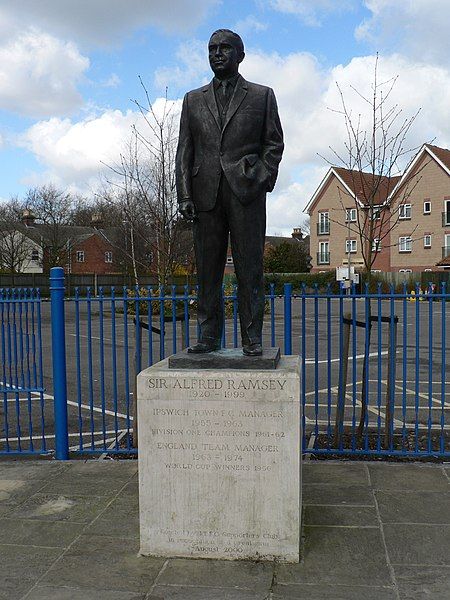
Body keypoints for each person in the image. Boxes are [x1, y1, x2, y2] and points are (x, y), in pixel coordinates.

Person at [176, 29, 284, 356]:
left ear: (240, 54)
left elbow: (274, 144)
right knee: (207, 271)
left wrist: (261, 177)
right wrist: (184, 195)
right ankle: (208, 336)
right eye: (212, 49)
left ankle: (252, 337)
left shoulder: (261, 96)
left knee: (250, 268)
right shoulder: (193, 99)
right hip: (205, 193)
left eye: (224, 48)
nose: (217, 54)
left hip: (245, 192)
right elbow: (184, 151)